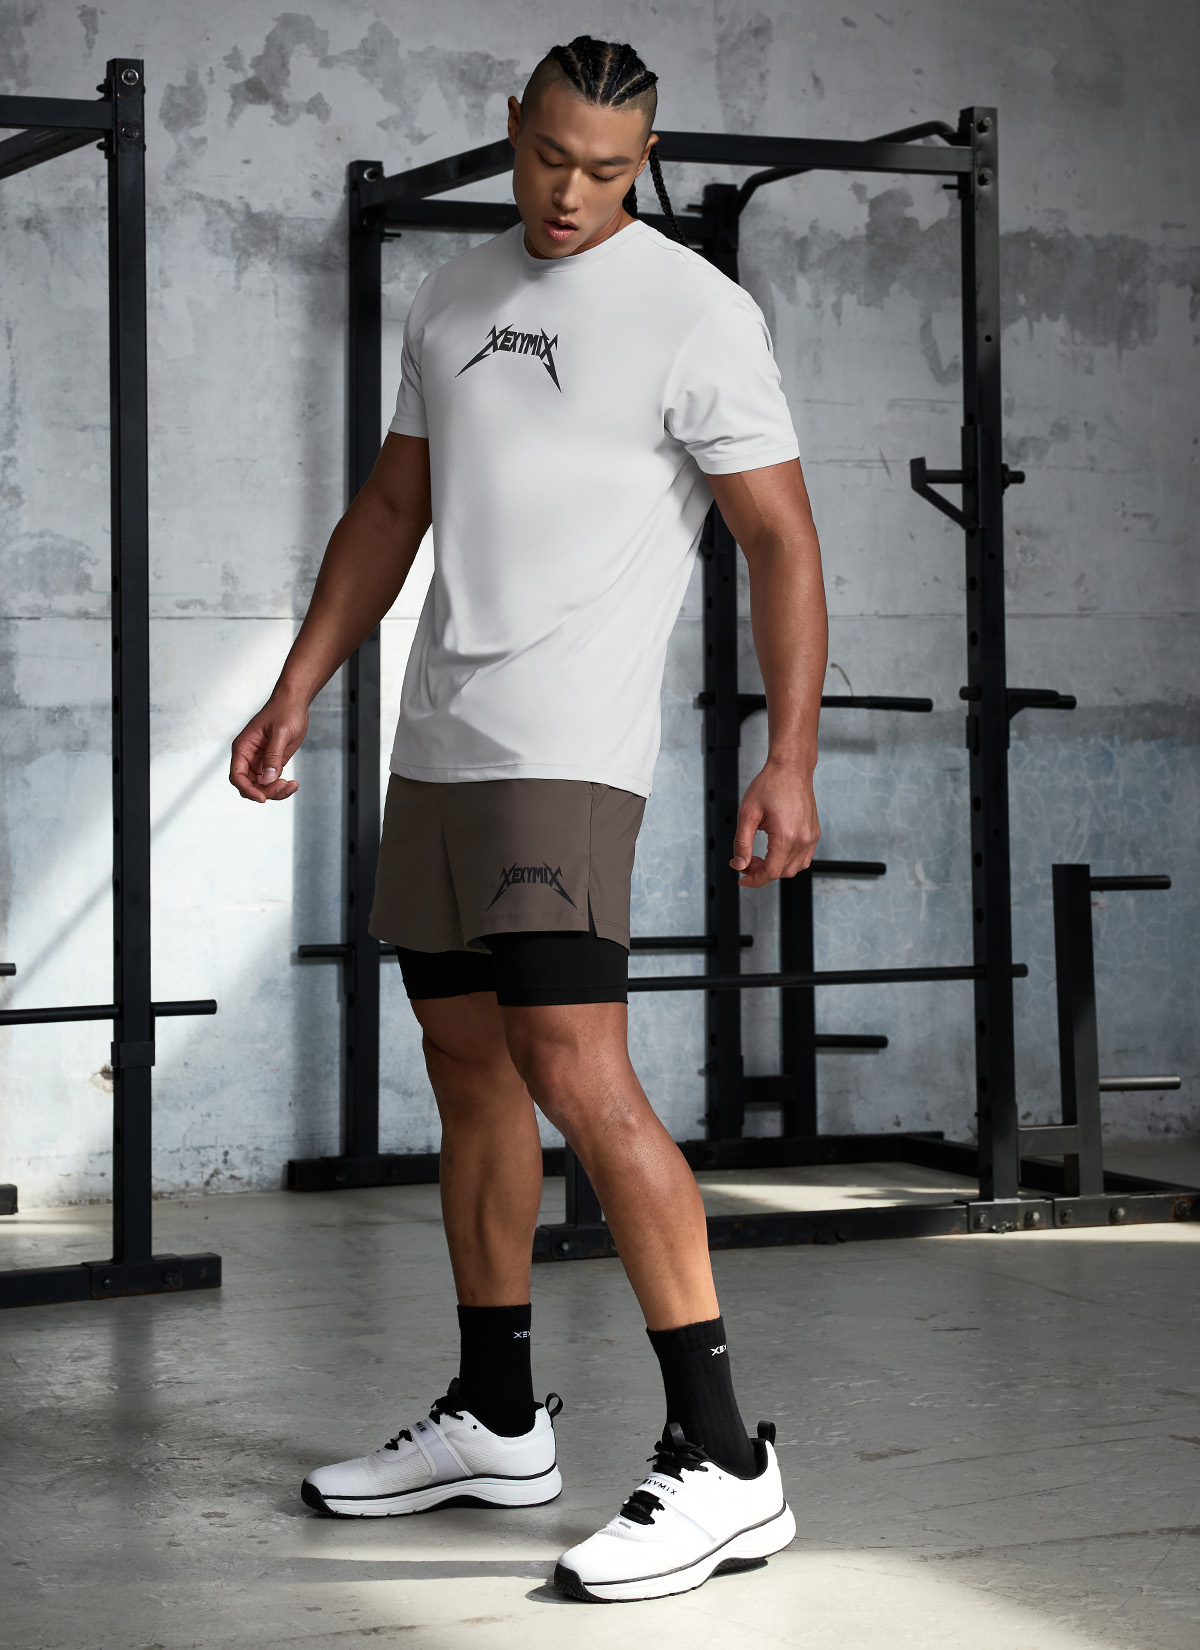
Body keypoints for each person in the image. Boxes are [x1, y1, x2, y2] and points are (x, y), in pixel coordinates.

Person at [230, 34, 827, 1604]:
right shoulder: (452, 295)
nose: (571, 193)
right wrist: (300, 684)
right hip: (439, 742)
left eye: (608, 170)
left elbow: (781, 540)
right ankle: (497, 1414)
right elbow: (392, 507)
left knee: (577, 1066)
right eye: (550, 158)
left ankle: (727, 1459)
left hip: (568, 748)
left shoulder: (697, 312)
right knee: (468, 1065)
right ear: (512, 129)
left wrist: (790, 754)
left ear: (647, 160)